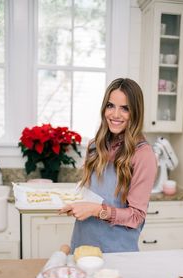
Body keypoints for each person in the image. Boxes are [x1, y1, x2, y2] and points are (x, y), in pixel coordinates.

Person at [59, 78, 157, 253]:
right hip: (82, 245)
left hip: (117, 252)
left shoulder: (143, 155)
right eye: (110, 106)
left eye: (125, 108)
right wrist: (76, 205)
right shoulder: (94, 146)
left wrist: (97, 211)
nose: (115, 114)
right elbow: (93, 194)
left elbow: (136, 217)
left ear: (136, 113)